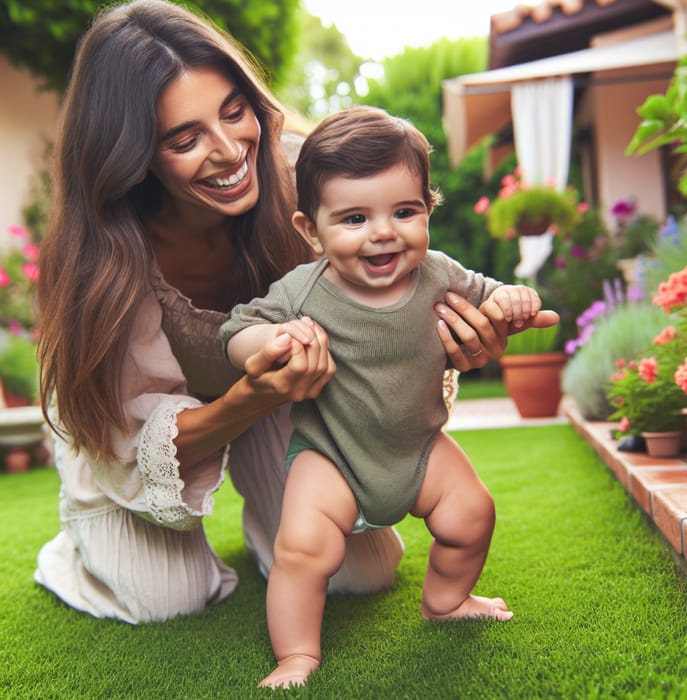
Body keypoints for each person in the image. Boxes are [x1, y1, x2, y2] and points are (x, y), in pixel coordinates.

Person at [33, 0, 519, 624]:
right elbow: (131, 434)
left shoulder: (305, 172)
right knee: (162, 600)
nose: (228, 150)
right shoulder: (106, 255)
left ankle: (270, 522)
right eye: (185, 139)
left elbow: (401, 284)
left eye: (234, 113)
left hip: (286, 397)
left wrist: (463, 338)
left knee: (359, 572)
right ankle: (78, 541)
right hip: (135, 426)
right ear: (133, 158)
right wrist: (253, 396)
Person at [222, 106, 553, 688]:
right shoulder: (302, 291)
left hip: (420, 446)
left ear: (428, 209)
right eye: (353, 218)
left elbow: (492, 293)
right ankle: (296, 654)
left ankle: (446, 600)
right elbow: (235, 333)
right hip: (332, 454)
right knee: (302, 551)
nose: (383, 232)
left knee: (473, 514)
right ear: (311, 230)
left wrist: (513, 300)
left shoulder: (439, 274)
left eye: (404, 211)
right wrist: (270, 340)